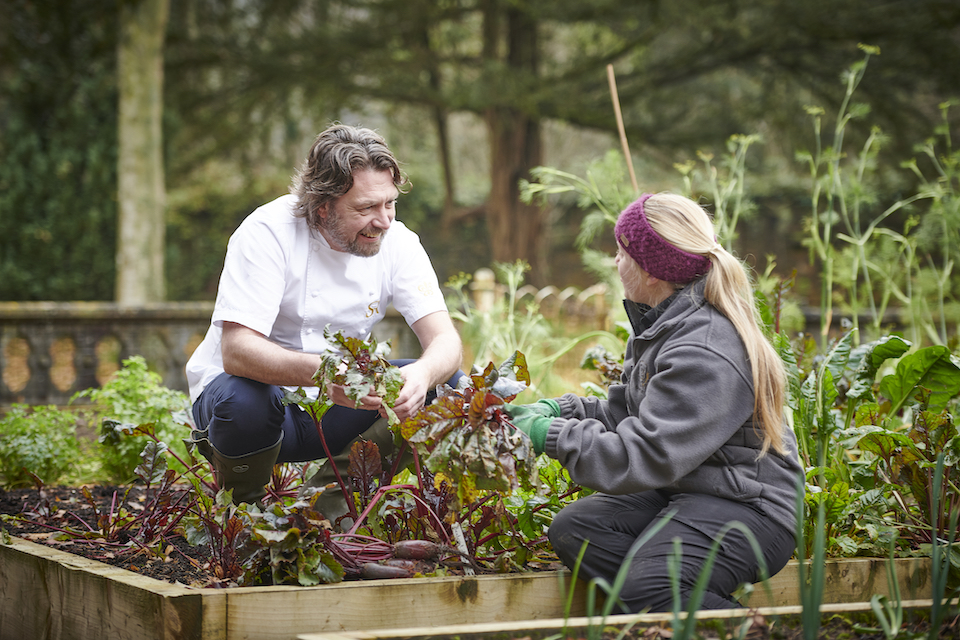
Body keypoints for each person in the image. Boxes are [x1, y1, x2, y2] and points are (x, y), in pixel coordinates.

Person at [504, 192, 801, 613]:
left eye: (621, 252)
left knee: (648, 586)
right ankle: (665, 609)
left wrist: (547, 435)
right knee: (579, 528)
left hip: (747, 507)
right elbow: (627, 416)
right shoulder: (662, 324)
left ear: (651, 270)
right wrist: (558, 411)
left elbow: (645, 455)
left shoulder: (704, 347)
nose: (615, 262)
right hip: (690, 487)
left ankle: (674, 603)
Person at [185, 123, 463, 509]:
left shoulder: (398, 241)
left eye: (390, 203)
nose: (383, 221)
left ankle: (324, 508)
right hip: (247, 412)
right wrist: (328, 374)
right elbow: (237, 350)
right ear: (322, 206)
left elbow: (446, 342)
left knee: (445, 387)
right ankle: (241, 514)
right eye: (366, 208)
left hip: (337, 409)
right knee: (244, 399)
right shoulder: (267, 232)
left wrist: (422, 375)